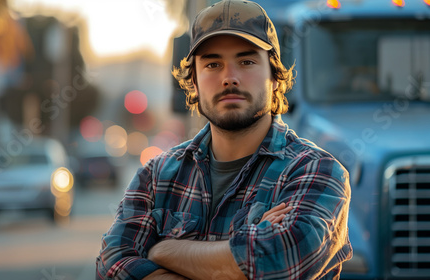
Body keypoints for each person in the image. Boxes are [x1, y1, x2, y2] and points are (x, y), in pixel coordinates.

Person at [96, 0, 352, 279]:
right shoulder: (156, 177)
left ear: (275, 76)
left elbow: (280, 261)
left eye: (246, 61)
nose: (229, 78)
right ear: (193, 81)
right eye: (213, 64)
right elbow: (112, 265)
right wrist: (236, 259)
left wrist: (162, 250)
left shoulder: (316, 171)